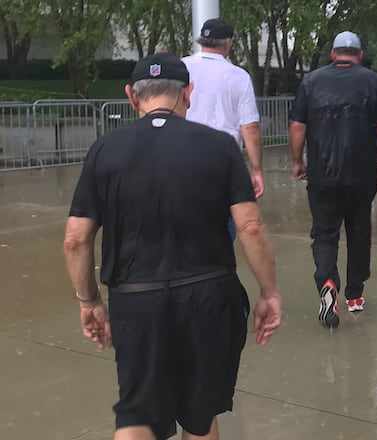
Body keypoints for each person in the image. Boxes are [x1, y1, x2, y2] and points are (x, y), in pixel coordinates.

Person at [63, 52, 282, 440]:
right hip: (208, 297)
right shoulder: (219, 146)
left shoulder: (104, 150)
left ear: (132, 97)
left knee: (137, 416)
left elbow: (76, 239)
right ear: (189, 94)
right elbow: (249, 225)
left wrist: (89, 302)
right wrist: (269, 293)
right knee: (199, 417)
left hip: (136, 302)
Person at [289, 31, 377, 330]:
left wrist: (298, 160)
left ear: (333, 53)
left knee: (324, 234)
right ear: (360, 55)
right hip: (362, 175)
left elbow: (297, 125)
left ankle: (327, 281)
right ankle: (355, 294)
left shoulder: (311, 82)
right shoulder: (374, 81)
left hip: (323, 174)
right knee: (359, 230)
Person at [182, 18, 265, 200]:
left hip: (182, 157)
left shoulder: (181, 68)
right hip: (223, 161)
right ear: (228, 43)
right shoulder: (239, 77)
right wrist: (256, 170)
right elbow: (250, 128)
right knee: (223, 221)